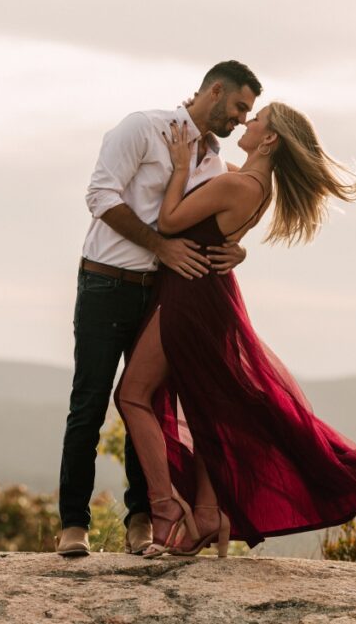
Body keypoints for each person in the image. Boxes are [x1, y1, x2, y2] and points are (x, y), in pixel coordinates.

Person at [113, 101, 356, 558]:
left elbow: (169, 222)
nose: (246, 121)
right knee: (204, 406)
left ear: (270, 138)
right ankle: (206, 512)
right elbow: (224, 237)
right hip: (211, 294)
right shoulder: (257, 186)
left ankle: (164, 509)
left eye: (254, 119)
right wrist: (238, 251)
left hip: (191, 294)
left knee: (132, 395)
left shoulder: (239, 184)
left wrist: (180, 167)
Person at [56, 61, 264, 556]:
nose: (239, 120)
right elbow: (99, 195)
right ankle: (72, 525)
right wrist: (160, 245)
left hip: (165, 295)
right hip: (107, 283)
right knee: (89, 402)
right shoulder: (142, 127)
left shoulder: (214, 163)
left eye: (247, 114)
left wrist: (241, 248)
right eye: (238, 107)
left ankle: (141, 521)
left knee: (148, 405)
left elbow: (236, 207)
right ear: (215, 91)